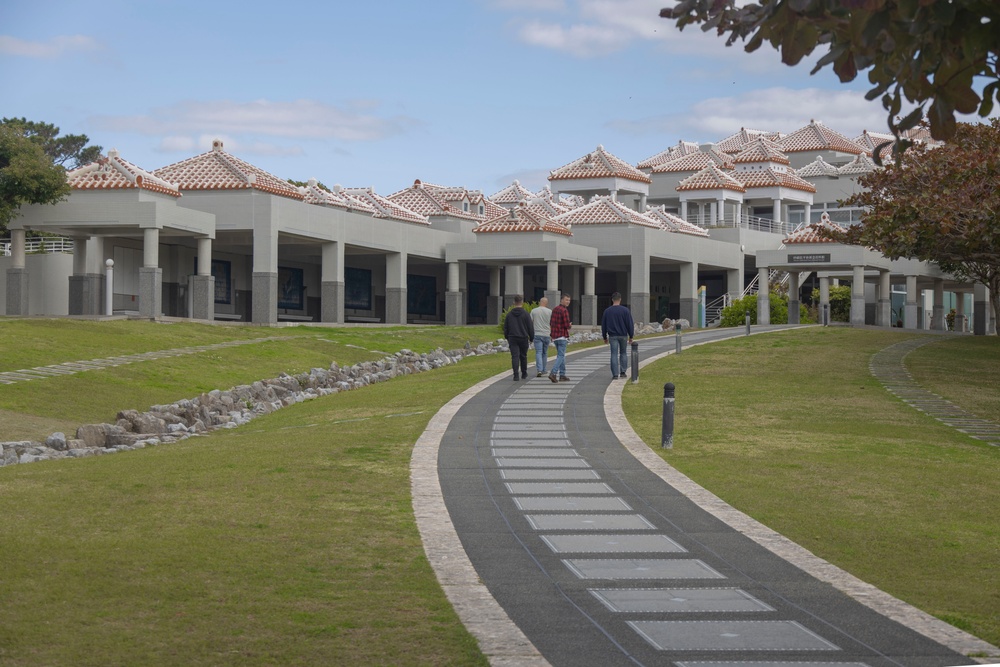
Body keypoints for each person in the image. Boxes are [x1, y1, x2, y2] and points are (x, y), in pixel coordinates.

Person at [601, 291, 634, 379]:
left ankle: (615, 374)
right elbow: (629, 324)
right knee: (623, 353)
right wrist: (631, 336)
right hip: (623, 335)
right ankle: (623, 372)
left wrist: (604, 336)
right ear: (620, 299)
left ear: (612, 300)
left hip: (612, 336)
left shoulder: (607, 311)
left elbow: (603, 325)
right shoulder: (625, 310)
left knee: (614, 354)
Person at [503, 294, 534, 381]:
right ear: (522, 303)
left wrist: (507, 336)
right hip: (523, 337)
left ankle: (515, 375)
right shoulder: (526, 314)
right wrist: (531, 337)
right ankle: (524, 373)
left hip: (512, 337)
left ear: (514, 303)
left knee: (515, 356)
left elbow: (506, 327)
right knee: (523, 356)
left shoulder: (509, 315)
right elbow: (530, 327)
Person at [547, 293, 572, 383]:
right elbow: (566, 325)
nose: (568, 302)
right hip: (562, 336)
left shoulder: (554, 309)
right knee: (560, 356)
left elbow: (551, 323)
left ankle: (562, 374)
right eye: (566, 300)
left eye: (569, 300)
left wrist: (551, 334)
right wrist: (569, 325)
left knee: (561, 356)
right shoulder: (564, 311)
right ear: (561, 300)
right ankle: (553, 373)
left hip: (555, 336)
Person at [530, 296, 552, 377]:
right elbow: (551, 323)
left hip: (537, 334)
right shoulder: (550, 311)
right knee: (545, 352)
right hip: (546, 334)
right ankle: (544, 369)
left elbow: (530, 322)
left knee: (538, 352)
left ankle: (539, 369)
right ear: (546, 303)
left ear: (540, 302)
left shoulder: (534, 311)